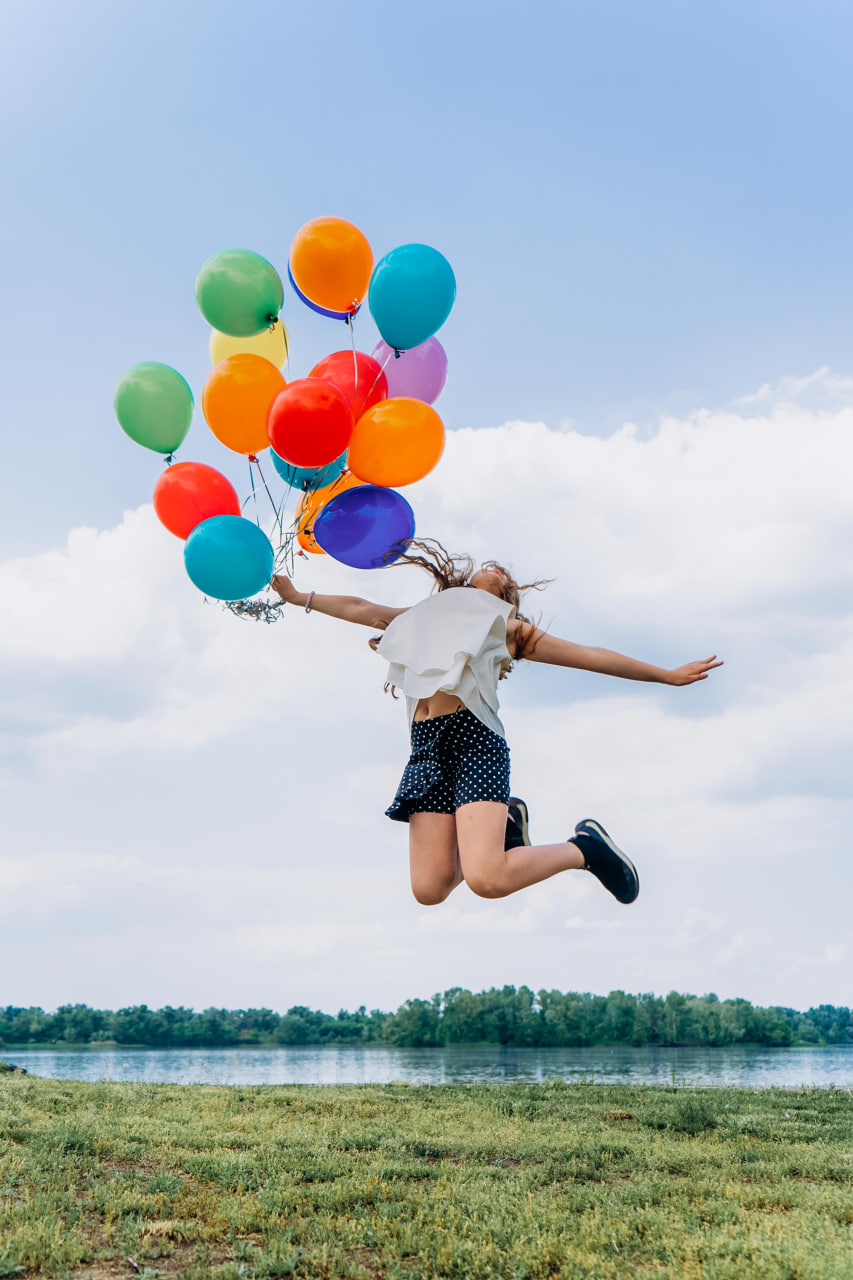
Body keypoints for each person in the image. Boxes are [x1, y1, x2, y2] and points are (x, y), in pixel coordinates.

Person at [270, 540, 722, 909]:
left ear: (506, 602)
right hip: (425, 751)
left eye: (501, 581)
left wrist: (665, 675)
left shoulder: (506, 630)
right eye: (480, 575)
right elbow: (356, 606)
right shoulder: (418, 619)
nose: (490, 571)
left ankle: (583, 848)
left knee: (487, 880)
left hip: (475, 744)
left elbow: (591, 657)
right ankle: (504, 824)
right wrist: (297, 597)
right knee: (429, 889)